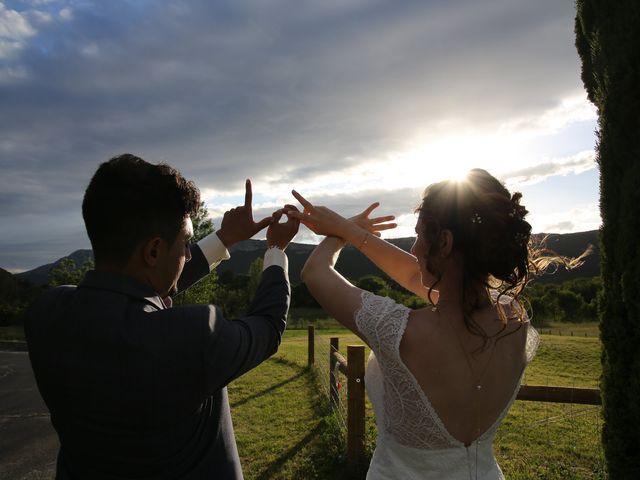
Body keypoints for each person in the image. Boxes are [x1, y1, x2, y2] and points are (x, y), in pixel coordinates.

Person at [25, 153, 299, 480]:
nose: (187, 254)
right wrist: (276, 250)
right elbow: (267, 327)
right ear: (154, 251)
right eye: (185, 244)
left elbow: (132, 286)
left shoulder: (47, 314)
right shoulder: (194, 337)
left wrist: (225, 239)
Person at [288, 169, 547, 479]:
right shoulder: (516, 320)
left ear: (445, 242)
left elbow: (315, 271)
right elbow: (414, 275)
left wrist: (342, 232)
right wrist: (351, 230)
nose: (412, 249)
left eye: (418, 236)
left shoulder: (398, 332)